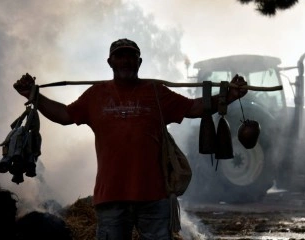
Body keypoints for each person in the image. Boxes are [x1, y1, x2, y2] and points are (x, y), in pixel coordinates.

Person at [14, 38, 247, 240]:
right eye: (120, 56)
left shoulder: (156, 92)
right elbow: (64, 115)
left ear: (139, 62)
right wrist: (35, 96)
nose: (125, 61)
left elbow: (195, 107)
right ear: (110, 62)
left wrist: (230, 96)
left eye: (131, 56)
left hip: (155, 197)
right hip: (111, 197)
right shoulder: (96, 95)